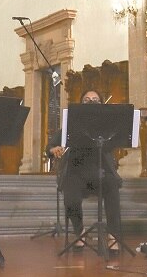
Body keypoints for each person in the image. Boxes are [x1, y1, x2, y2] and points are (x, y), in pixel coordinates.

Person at [47, 90, 124, 254]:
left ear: (101, 104)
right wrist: (53, 149)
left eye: (95, 100)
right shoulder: (72, 124)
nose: (91, 102)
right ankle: (79, 232)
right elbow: (50, 146)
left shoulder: (107, 126)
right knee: (71, 196)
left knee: (112, 185)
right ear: (81, 104)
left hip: (101, 172)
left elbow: (118, 141)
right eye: (87, 100)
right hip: (76, 173)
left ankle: (112, 236)